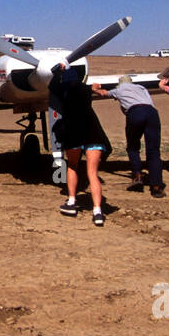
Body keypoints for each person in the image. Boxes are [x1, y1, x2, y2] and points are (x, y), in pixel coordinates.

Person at [49, 63, 111, 225]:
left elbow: (51, 85)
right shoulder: (85, 89)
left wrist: (57, 71)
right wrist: (96, 87)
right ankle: (97, 211)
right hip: (92, 131)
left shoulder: (62, 91)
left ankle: (71, 202)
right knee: (92, 173)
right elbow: (93, 86)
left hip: (72, 131)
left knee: (73, 166)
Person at [92, 75, 165, 198]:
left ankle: (137, 176)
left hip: (135, 113)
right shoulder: (142, 88)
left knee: (133, 146)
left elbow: (103, 93)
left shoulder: (119, 90)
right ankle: (156, 186)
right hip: (152, 113)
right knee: (153, 150)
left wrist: (95, 88)